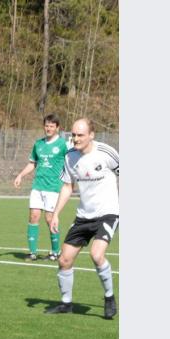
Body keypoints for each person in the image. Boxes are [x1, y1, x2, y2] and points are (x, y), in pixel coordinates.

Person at [47, 118, 119, 319]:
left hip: (108, 212)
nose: (76, 138)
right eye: (73, 135)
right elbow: (67, 186)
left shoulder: (106, 153)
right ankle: (66, 304)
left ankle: (109, 297)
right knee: (64, 259)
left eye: (80, 135)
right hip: (83, 216)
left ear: (91, 135)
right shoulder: (70, 157)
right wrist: (55, 214)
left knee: (96, 255)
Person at [13, 114, 69, 261]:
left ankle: (55, 252)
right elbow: (32, 163)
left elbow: (71, 162)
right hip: (37, 186)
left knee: (50, 219)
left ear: (57, 128)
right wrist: (20, 175)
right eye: (46, 125)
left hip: (53, 187)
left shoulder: (63, 145)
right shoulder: (38, 144)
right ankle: (32, 252)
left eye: (51, 126)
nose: (48, 128)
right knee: (34, 216)